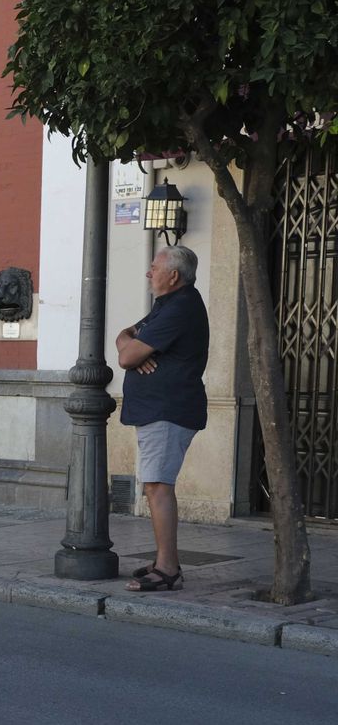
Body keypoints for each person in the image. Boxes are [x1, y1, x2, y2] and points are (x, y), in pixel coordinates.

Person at [116, 244, 209, 592]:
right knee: (155, 484)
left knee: (157, 486)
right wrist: (130, 343)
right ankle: (163, 561)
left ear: (173, 275)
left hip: (168, 410)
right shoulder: (167, 305)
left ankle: (168, 569)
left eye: (154, 267)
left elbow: (126, 357)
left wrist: (134, 350)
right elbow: (125, 339)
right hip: (159, 409)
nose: (148, 272)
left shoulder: (181, 307)